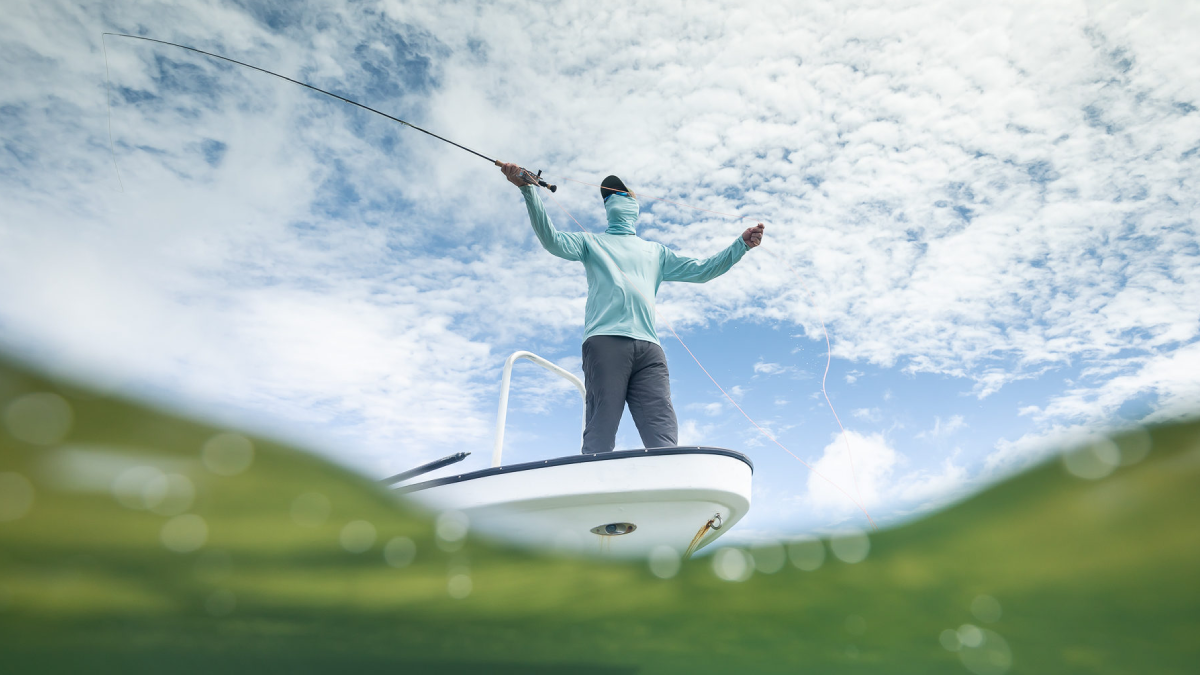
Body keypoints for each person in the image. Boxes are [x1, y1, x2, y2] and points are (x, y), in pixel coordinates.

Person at [500, 163, 764, 454]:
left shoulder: (657, 252)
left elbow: (703, 270)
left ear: (635, 207)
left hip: (650, 350)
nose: (616, 198)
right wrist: (528, 191)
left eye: (623, 194)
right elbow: (552, 240)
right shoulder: (590, 242)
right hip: (605, 342)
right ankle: (594, 487)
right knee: (601, 430)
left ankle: (670, 490)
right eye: (609, 196)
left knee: (663, 438)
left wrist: (740, 246)